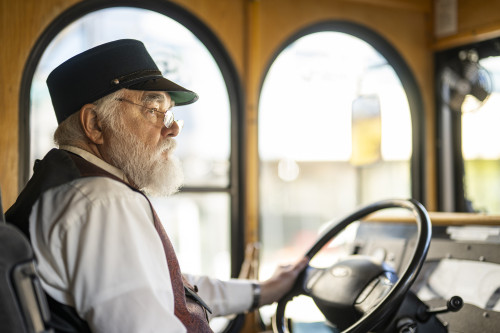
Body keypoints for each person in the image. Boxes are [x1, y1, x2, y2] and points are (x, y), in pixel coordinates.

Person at [6, 39, 308, 333]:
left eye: (170, 112)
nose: (172, 128)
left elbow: (168, 285)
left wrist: (262, 290)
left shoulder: (75, 190)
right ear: (95, 124)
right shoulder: (102, 201)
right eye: (153, 110)